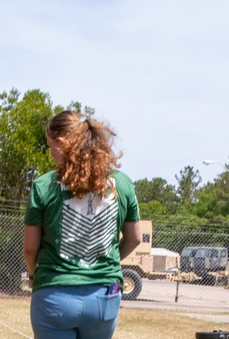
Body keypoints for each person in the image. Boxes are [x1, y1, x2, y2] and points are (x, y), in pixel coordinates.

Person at [23, 111, 142, 339]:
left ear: (61, 143)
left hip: (54, 293)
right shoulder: (123, 183)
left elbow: (30, 248)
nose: (51, 153)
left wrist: (32, 274)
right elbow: (135, 237)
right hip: (104, 296)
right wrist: (108, 262)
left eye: (51, 146)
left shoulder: (43, 186)